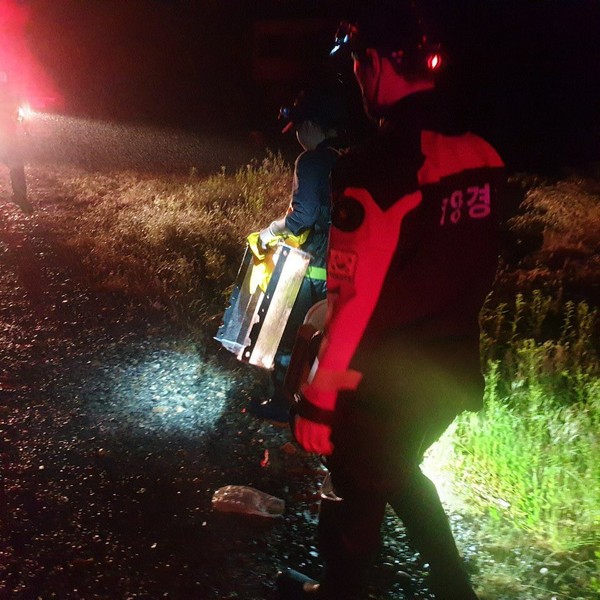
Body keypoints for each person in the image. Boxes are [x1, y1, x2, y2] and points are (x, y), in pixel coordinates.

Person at [276, 2, 506, 599]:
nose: (356, 76)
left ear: (374, 64)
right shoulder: (484, 154)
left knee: (353, 491)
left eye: (357, 63)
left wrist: (319, 398)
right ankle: (456, 587)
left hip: (382, 381)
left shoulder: (378, 166)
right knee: (396, 472)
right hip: (452, 370)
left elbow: (356, 297)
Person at [248, 85, 347, 424]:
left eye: (300, 129)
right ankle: (317, 402)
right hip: (335, 266)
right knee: (325, 338)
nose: (299, 137)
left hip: (310, 266)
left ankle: (283, 403)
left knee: (292, 335)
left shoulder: (310, 161)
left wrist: (270, 232)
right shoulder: (342, 159)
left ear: (310, 126)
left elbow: (301, 217)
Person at [0, 69, 32, 215]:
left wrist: (24, 126)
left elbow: (20, 113)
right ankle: (19, 195)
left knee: (16, 165)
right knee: (16, 165)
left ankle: (19, 195)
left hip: (8, 135)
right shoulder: (11, 94)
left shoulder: (11, 95)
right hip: (8, 135)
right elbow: (20, 114)